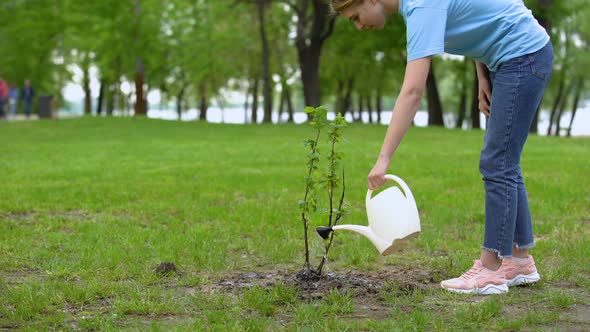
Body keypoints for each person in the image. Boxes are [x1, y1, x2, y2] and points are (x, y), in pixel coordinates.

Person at [331, 0, 553, 295]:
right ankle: (519, 261)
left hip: (522, 56)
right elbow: (479, 15)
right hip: (512, 58)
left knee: (498, 162)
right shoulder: (417, 7)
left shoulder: (422, 7)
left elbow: (412, 92)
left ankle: (490, 269)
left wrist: (383, 159)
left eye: (355, 16)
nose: (359, 25)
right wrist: (482, 74)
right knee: (504, 161)